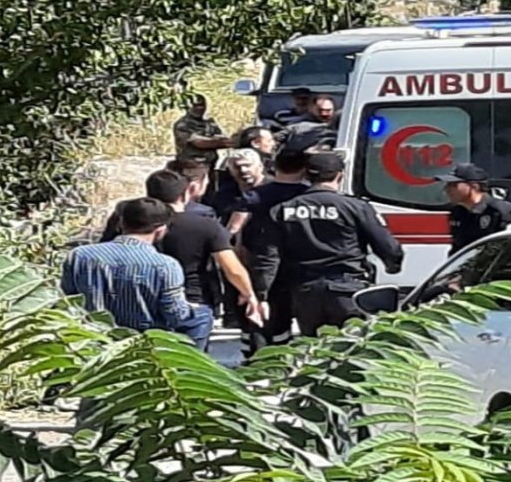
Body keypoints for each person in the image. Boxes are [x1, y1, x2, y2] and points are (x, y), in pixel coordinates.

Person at [250, 151, 404, 337]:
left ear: (306, 175)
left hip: (305, 292)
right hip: (348, 289)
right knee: (351, 348)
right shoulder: (355, 207)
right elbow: (387, 246)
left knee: (313, 349)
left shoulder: (283, 210)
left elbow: (268, 258)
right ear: (340, 175)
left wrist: (261, 294)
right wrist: (393, 265)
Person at [61, 198, 211, 348]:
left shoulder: (79, 255)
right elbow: (177, 316)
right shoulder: (165, 265)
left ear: (121, 223)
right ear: (160, 230)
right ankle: (184, 366)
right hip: (144, 342)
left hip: (93, 338)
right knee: (204, 315)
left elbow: (69, 300)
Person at [146, 169, 264, 347]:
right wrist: (249, 295)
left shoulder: (133, 222)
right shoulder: (204, 225)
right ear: (186, 193)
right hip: (193, 300)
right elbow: (232, 268)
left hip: (145, 299)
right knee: (191, 364)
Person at [228, 148, 310, 358]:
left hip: (262, 263)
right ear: (304, 169)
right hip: (304, 266)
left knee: (264, 317)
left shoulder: (255, 196)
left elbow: (234, 231)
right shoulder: (310, 196)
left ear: (273, 167)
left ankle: (260, 361)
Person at [434, 163, 511, 255]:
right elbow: (458, 248)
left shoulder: (502, 211)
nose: (447, 189)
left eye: (454, 185)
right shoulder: (458, 212)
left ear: (474, 186)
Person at [172, 95, 233, 168]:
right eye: (195, 105)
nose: (200, 108)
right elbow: (199, 143)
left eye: (202, 105)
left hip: (210, 164)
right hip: (191, 165)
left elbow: (220, 137)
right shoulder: (183, 124)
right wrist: (229, 143)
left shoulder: (209, 123)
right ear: (187, 106)